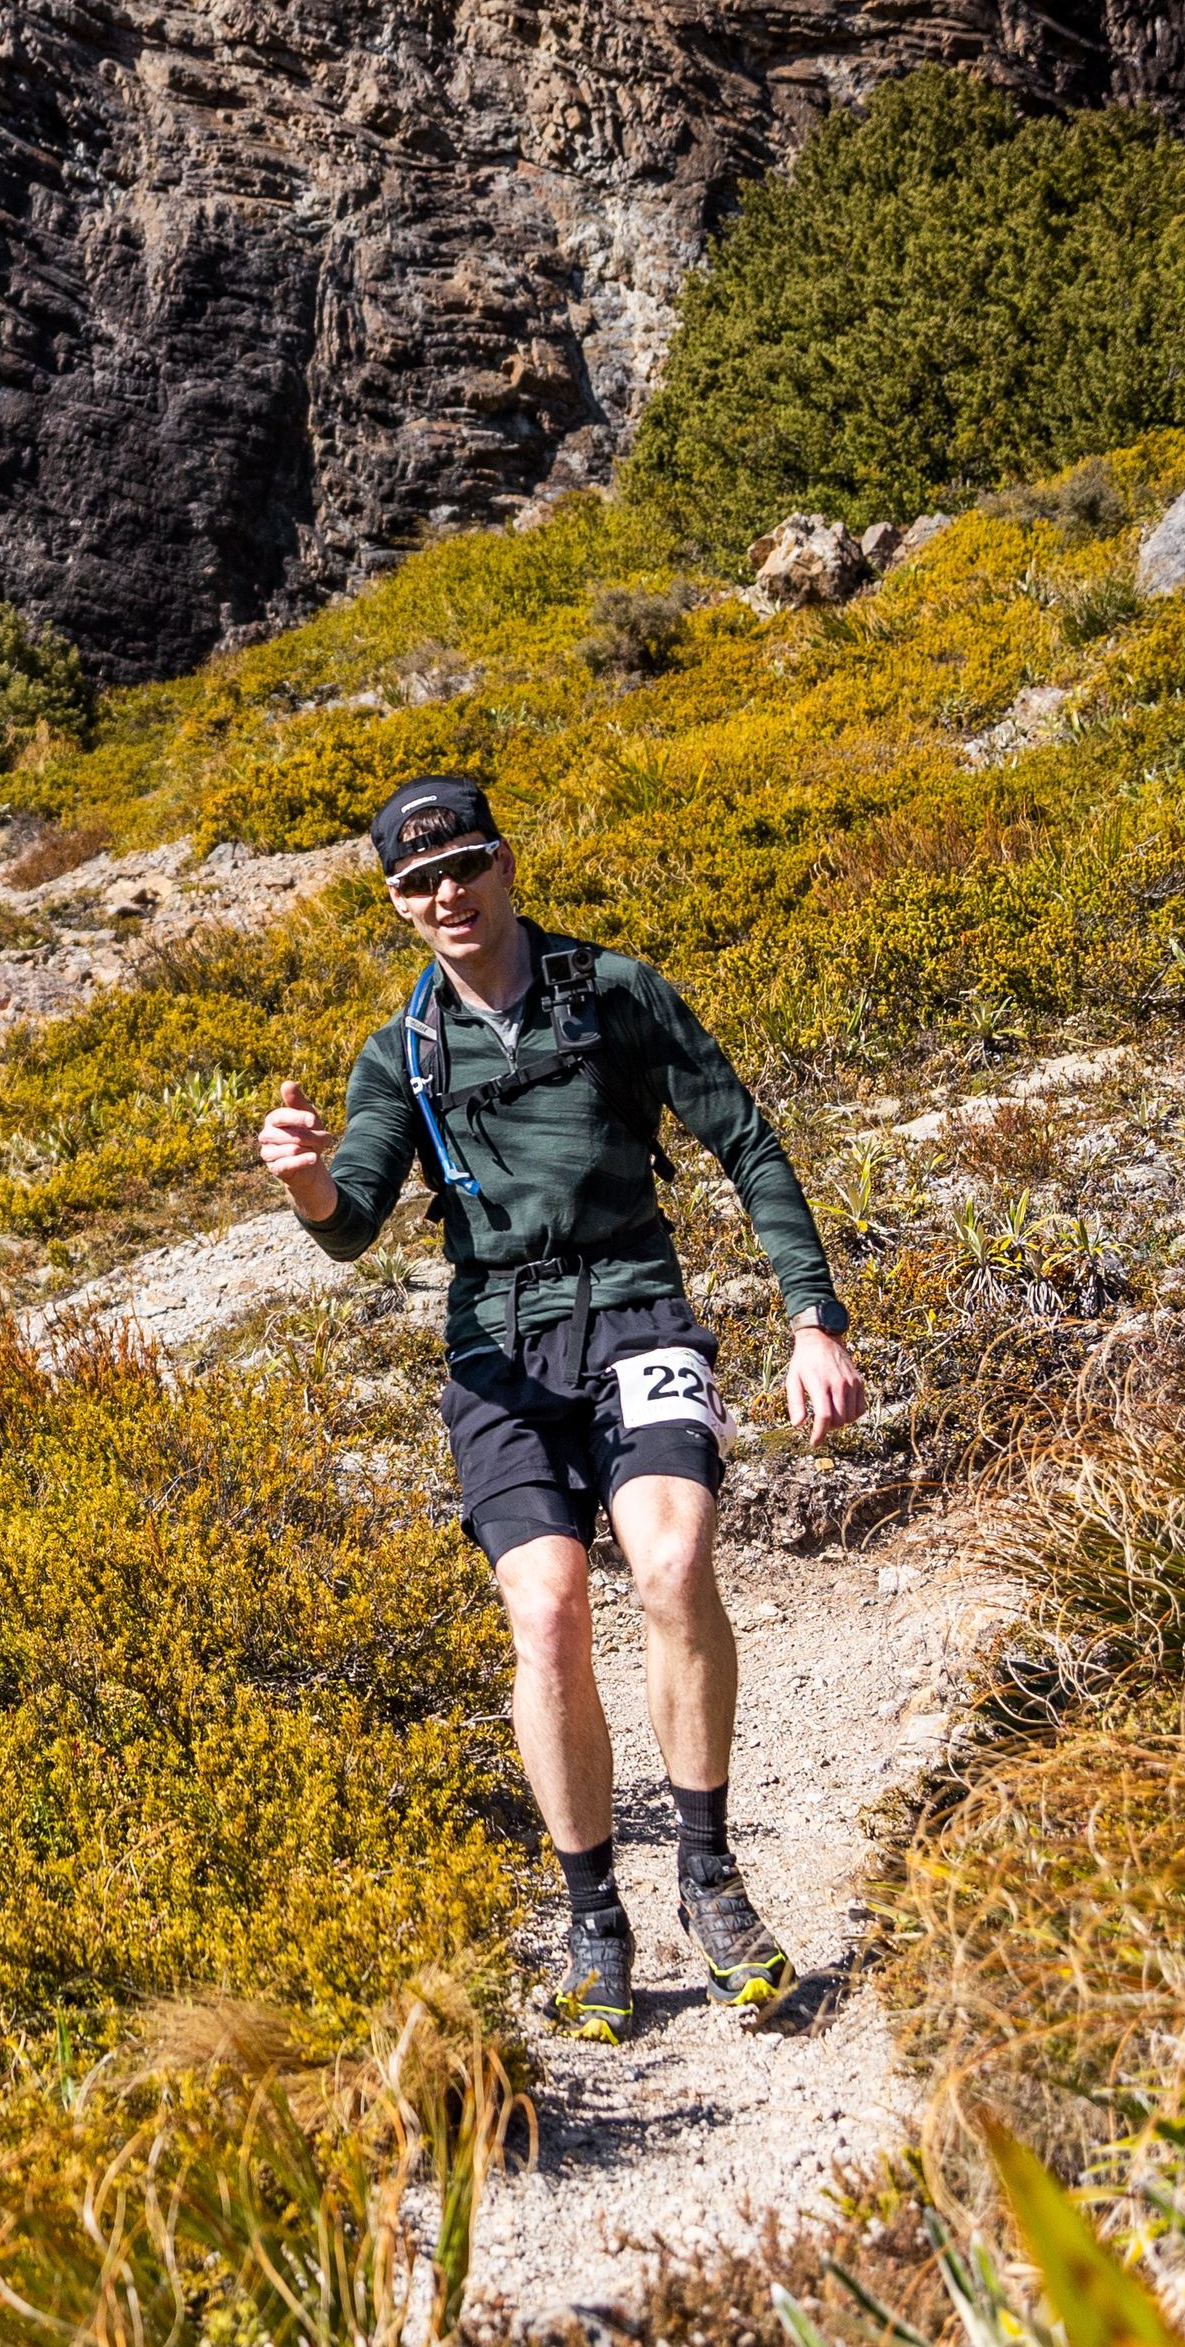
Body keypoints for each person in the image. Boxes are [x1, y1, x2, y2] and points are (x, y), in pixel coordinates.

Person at [257, 774, 866, 2041]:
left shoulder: (617, 991)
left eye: (464, 866)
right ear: (396, 902)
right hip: (500, 1353)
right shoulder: (402, 1050)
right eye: (418, 882)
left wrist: (813, 1317)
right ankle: (596, 1917)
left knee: (674, 1562)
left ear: (504, 862)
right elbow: (353, 1223)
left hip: (638, 1311)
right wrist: (309, 1181)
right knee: (546, 1614)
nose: (447, 895)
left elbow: (747, 1142)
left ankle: (710, 1876)